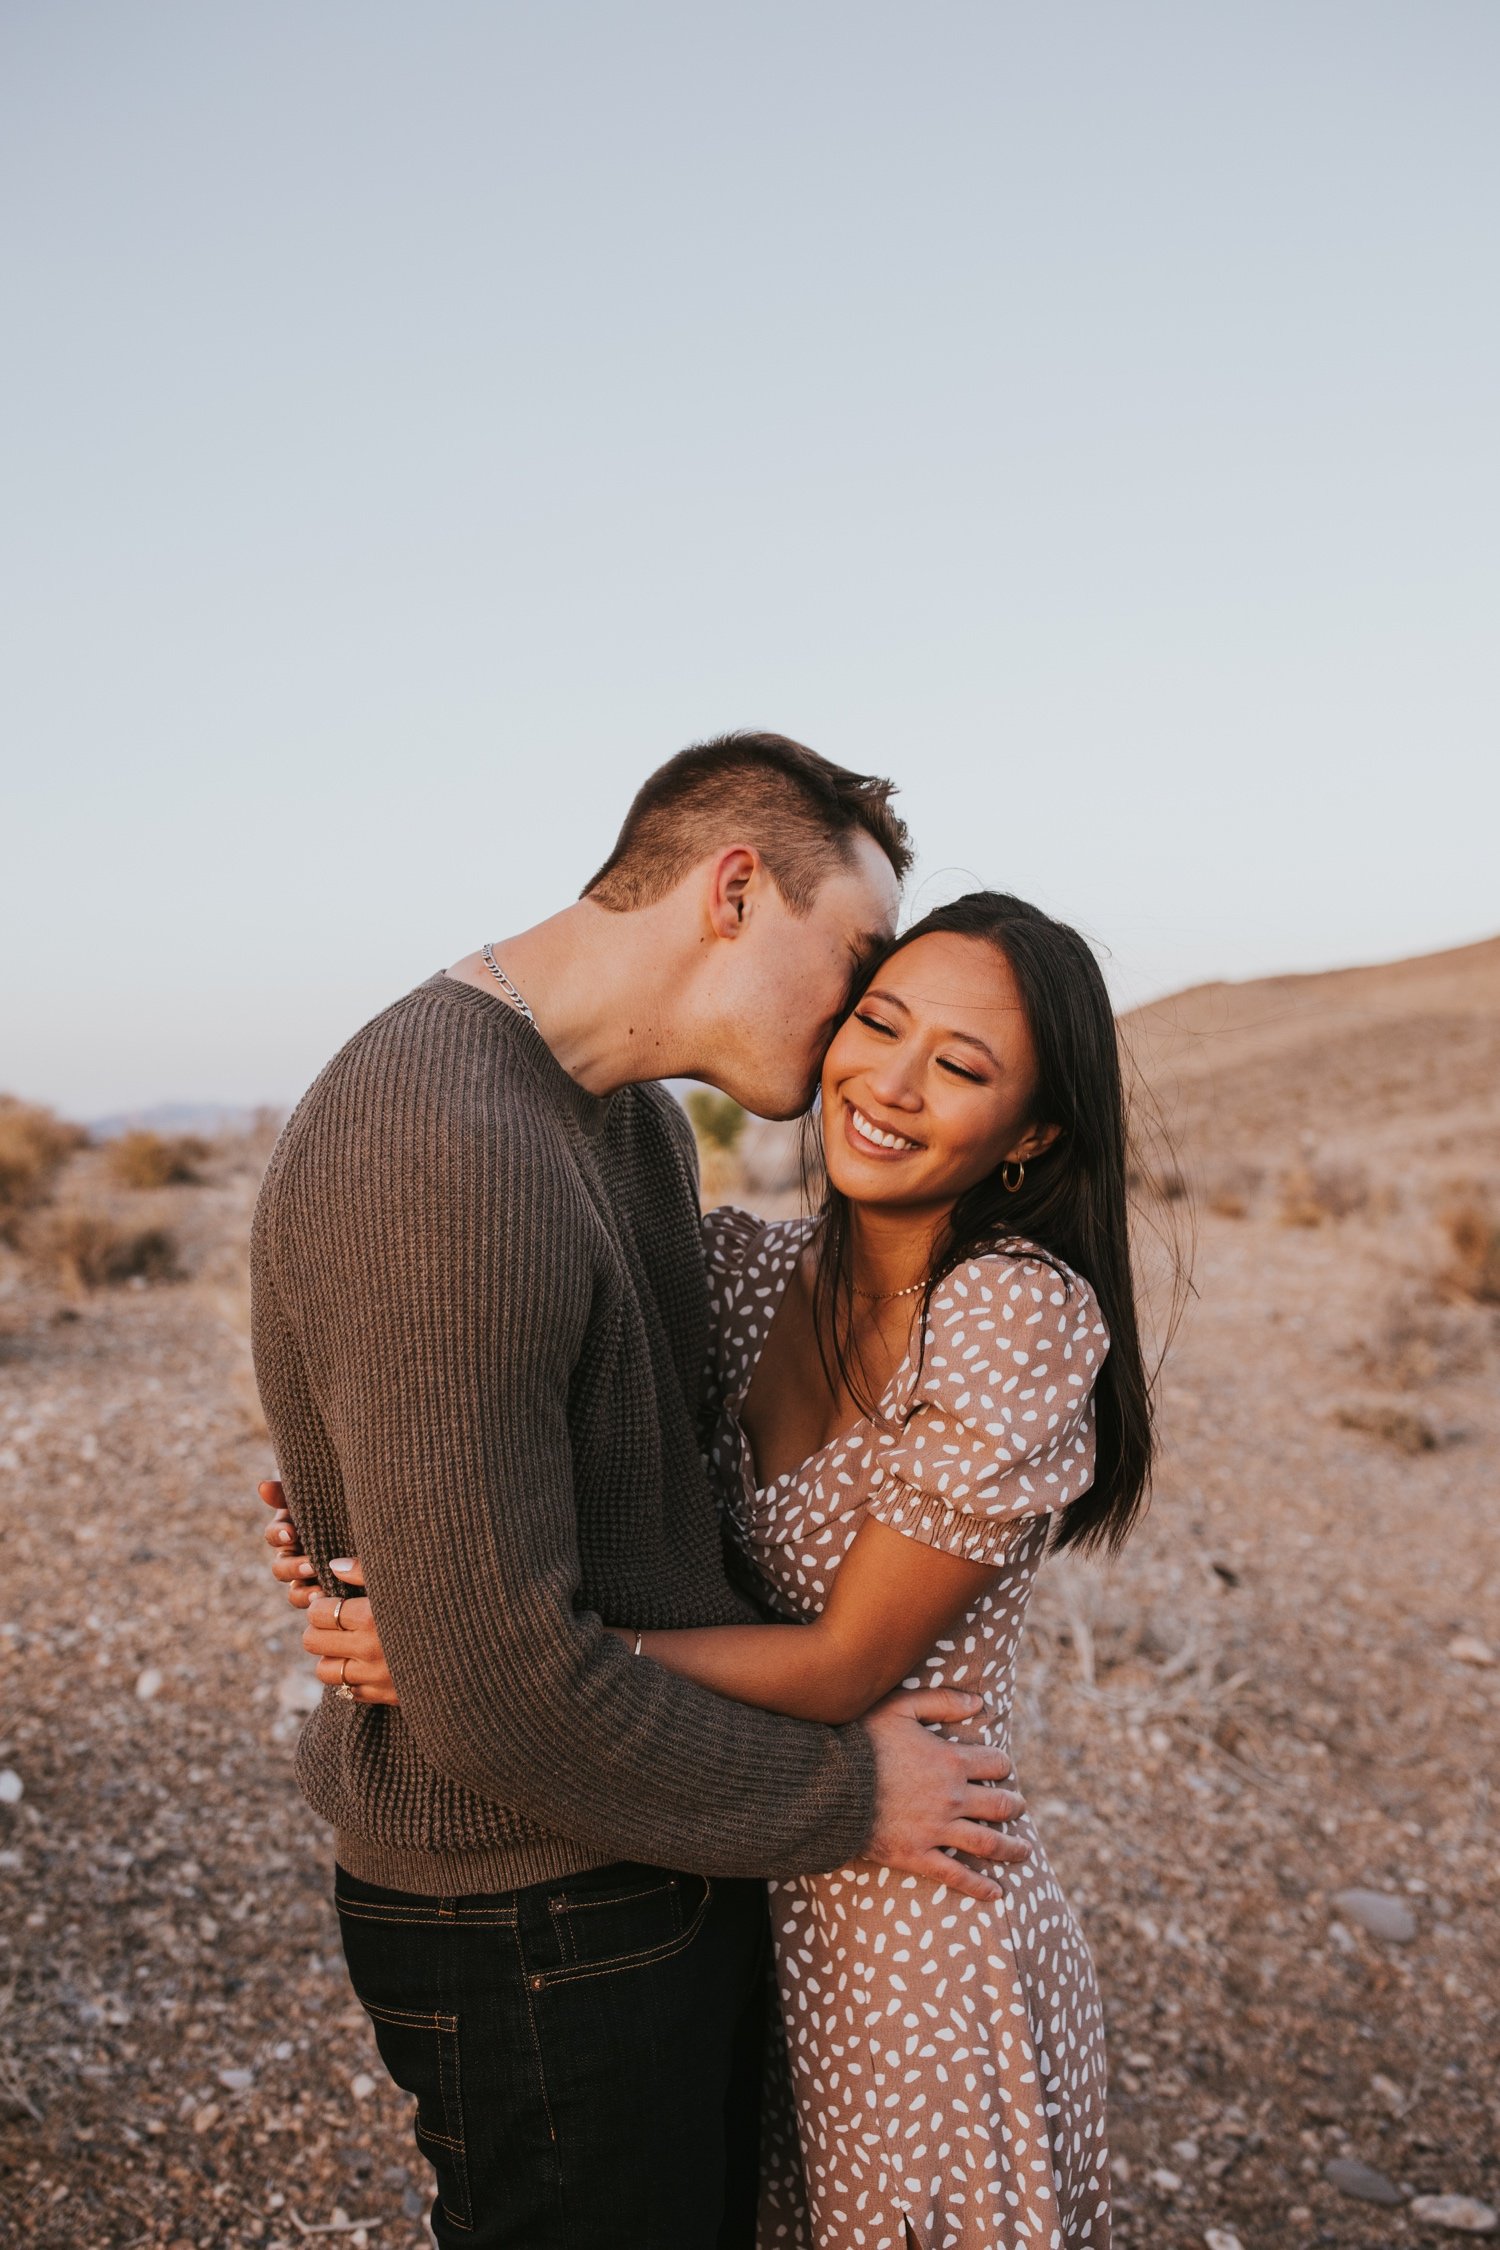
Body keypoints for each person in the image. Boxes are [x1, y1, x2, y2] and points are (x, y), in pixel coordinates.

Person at [272, 888, 1155, 2249]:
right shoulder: (747, 1273)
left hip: (905, 1900)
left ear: (1031, 1136)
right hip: (741, 1860)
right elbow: (552, 1434)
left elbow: (844, 1660)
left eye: (963, 1067)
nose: (893, 1081)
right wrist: (377, 1544)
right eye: (880, 1021)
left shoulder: (1010, 1312)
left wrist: (472, 1648)